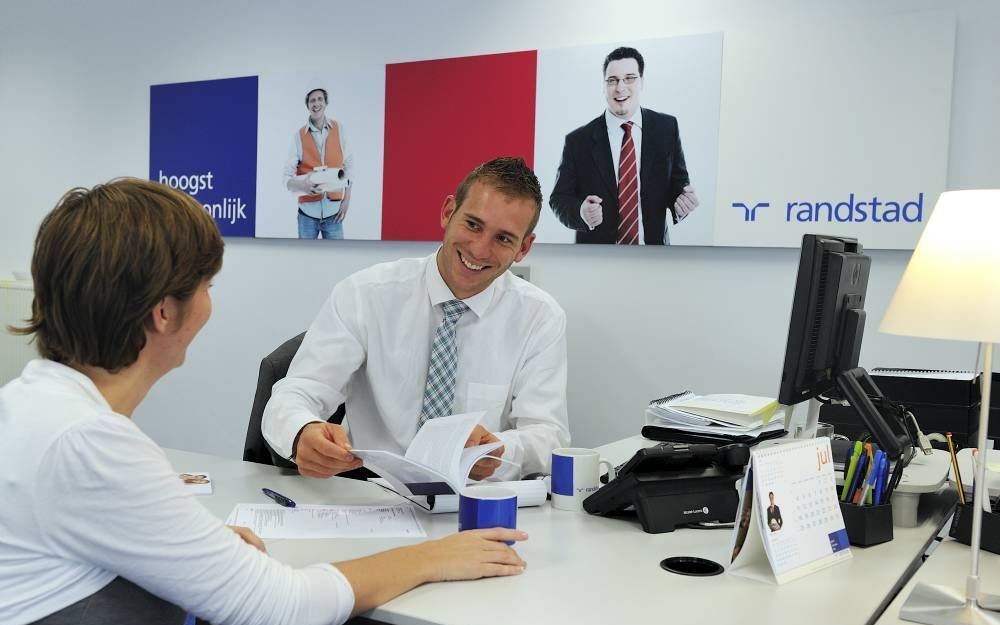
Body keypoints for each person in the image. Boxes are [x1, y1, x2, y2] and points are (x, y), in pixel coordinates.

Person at [0, 179, 527, 625]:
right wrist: (430, 559)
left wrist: (187, 547)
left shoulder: (29, 405)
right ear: (164, 313)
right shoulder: (93, 444)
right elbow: (282, 605)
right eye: (206, 284)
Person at [262, 157, 569, 482]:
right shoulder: (366, 294)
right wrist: (302, 431)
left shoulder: (540, 318)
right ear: (448, 212)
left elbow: (548, 435)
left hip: (479, 502)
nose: (480, 249)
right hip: (376, 497)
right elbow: (295, 393)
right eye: (473, 225)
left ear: (524, 248)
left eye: (503, 238)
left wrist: (499, 449)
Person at [549, 46, 699, 245]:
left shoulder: (667, 128)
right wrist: (580, 212)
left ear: (642, 82)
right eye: (612, 80)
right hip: (595, 259)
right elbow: (559, 198)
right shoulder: (578, 140)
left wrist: (682, 204)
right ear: (604, 86)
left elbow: (677, 186)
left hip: (655, 257)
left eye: (629, 78)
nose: (620, 88)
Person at [283, 87, 353, 240]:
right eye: (312, 100)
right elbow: (286, 178)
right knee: (304, 262)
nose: (316, 103)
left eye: (320, 99)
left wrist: (346, 200)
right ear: (307, 105)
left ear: (326, 103)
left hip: (334, 215)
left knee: (337, 260)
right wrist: (303, 186)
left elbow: (349, 166)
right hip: (307, 216)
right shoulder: (298, 136)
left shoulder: (339, 130)